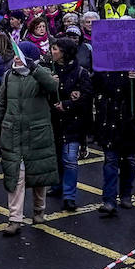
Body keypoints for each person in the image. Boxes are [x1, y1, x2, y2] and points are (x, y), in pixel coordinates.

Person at [0, 41, 60, 236]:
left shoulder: (42, 73)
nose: (16, 58)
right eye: (15, 54)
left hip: (37, 133)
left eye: (20, 55)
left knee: (39, 175)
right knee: (15, 176)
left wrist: (35, 68)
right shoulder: (8, 75)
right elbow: (1, 103)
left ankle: (39, 211)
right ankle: (15, 218)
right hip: (12, 132)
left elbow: (53, 87)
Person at [92, 67, 135, 216]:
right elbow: (95, 86)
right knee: (110, 160)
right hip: (110, 120)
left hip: (130, 123)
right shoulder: (104, 67)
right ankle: (109, 200)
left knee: (129, 159)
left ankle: (126, 194)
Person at [48, 37, 92, 213]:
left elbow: (87, 97)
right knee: (57, 157)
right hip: (53, 122)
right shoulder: (50, 69)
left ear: (65, 53)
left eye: (56, 49)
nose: (52, 51)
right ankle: (57, 185)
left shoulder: (81, 73)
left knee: (70, 160)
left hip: (73, 124)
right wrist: (51, 85)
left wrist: (67, 104)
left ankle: (69, 196)